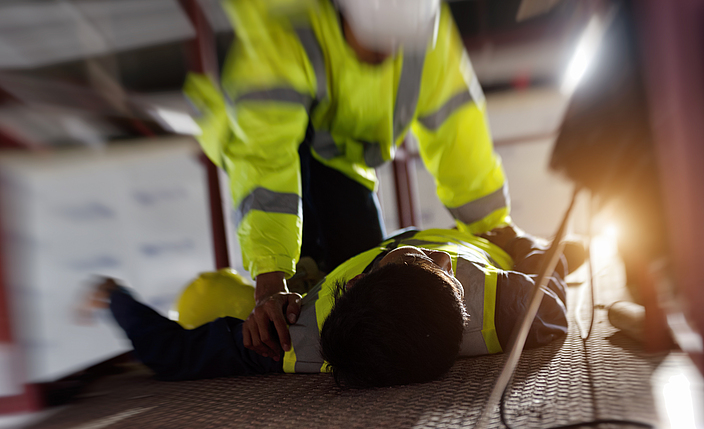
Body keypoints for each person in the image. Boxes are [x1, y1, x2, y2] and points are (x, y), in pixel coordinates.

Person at [182, 0, 584, 357]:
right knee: (307, 291)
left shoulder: (424, 27)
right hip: (269, 143)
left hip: (342, 155)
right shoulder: (284, 31)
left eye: (395, 48)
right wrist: (270, 280)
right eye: (373, 46)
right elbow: (265, 158)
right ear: (342, 14)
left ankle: (309, 275)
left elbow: (457, 127)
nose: (386, 56)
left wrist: (495, 227)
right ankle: (287, 274)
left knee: (371, 285)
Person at [84, 228, 568, 387]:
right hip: (483, 241)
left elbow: (176, 354)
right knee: (544, 251)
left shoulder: (293, 337)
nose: (439, 256)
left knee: (204, 305)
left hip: (353, 267)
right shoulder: (504, 302)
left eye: (424, 260)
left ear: (355, 281)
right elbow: (554, 301)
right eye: (433, 263)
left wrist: (116, 300)